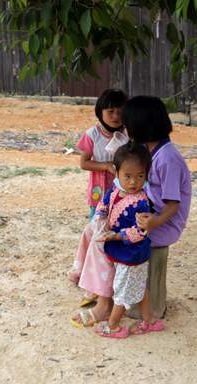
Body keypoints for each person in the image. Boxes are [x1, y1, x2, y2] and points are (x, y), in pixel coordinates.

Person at [71, 143, 164, 338]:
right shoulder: (115, 190)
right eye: (128, 176)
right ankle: (150, 321)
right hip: (125, 253)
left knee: (122, 290)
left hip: (131, 255)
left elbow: (140, 231)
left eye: (140, 176)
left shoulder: (140, 201)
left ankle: (113, 326)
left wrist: (116, 235)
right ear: (117, 173)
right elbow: (105, 204)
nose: (133, 182)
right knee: (139, 287)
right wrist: (100, 217)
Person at [123, 96, 192, 319]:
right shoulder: (150, 150)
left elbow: (173, 204)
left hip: (166, 221)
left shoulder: (167, 159)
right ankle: (122, 296)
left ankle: (146, 308)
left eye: (128, 124)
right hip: (154, 213)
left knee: (128, 238)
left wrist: (154, 222)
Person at [67, 89, 128, 289]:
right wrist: (105, 166)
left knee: (114, 232)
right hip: (99, 194)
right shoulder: (92, 135)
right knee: (95, 232)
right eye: (110, 111)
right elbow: (84, 163)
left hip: (123, 194)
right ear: (100, 112)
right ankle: (84, 272)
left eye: (120, 112)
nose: (116, 116)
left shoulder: (127, 134)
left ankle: (109, 274)